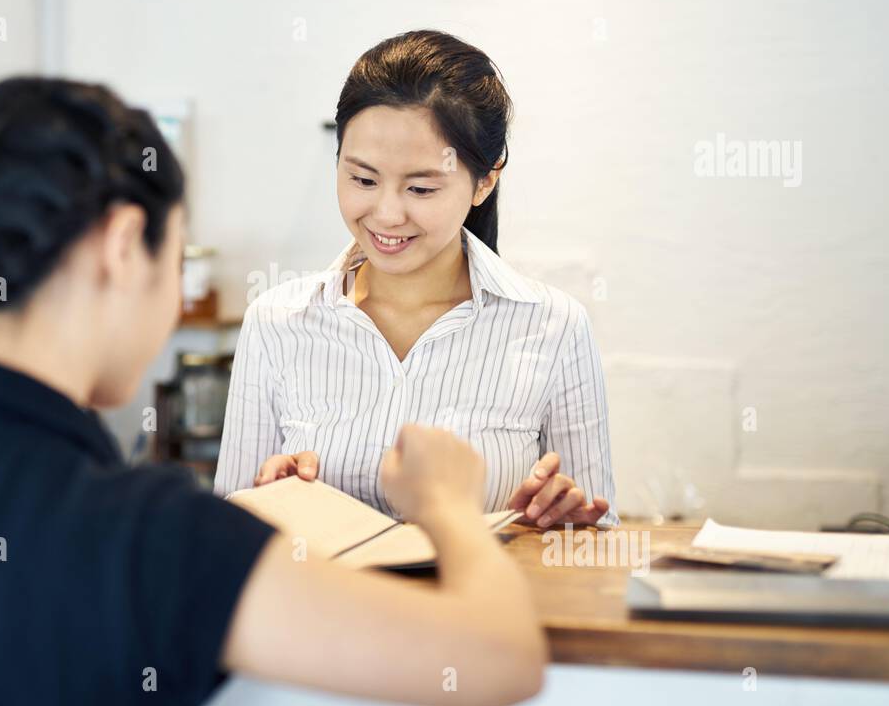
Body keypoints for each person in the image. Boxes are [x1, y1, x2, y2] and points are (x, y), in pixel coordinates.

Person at [0, 76, 545, 706]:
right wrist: (446, 505)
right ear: (123, 244)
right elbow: (499, 659)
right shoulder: (150, 537)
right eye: (174, 254)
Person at [215, 30, 617, 530]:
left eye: (421, 187)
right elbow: (222, 541)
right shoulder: (277, 322)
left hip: (482, 608)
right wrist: (265, 504)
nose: (386, 214)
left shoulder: (553, 327)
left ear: (485, 180)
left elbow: (595, 537)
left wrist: (563, 522)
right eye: (362, 180)